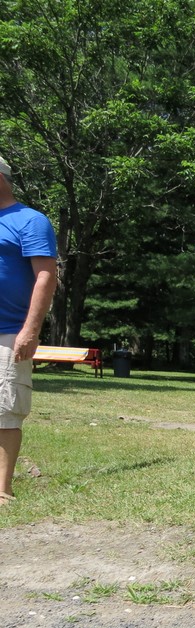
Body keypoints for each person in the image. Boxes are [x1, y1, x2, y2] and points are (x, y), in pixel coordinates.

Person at [0, 153, 59, 505]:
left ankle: (2, 490)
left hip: (9, 331)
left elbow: (46, 277)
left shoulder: (30, 221)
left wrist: (30, 331)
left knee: (5, 409)